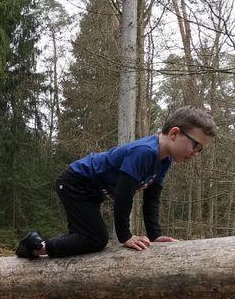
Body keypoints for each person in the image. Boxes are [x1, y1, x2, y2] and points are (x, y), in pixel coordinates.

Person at [16, 106, 215, 259]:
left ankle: (34, 245)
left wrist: (155, 235)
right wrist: (125, 236)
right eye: (195, 145)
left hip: (90, 191)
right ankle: (35, 247)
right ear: (174, 134)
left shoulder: (164, 161)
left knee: (84, 239)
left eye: (200, 150)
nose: (195, 154)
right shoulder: (145, 152)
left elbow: (151, 200)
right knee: (97, 239)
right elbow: (124, 193)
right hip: (75, 182)